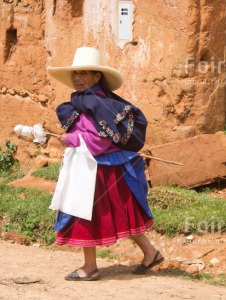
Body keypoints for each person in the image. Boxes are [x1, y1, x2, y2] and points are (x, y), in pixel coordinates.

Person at [47, 46, 164, 281]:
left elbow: (100, 140)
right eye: (75, 74)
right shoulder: (89, 100)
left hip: (96, 170)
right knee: (123, 212)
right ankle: (150, 253)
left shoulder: (97, 103)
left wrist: (69, 139)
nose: (78, 79)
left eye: (85, 73)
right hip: (104, 167)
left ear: (97, 76)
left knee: (83, 213)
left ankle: (89, 267)